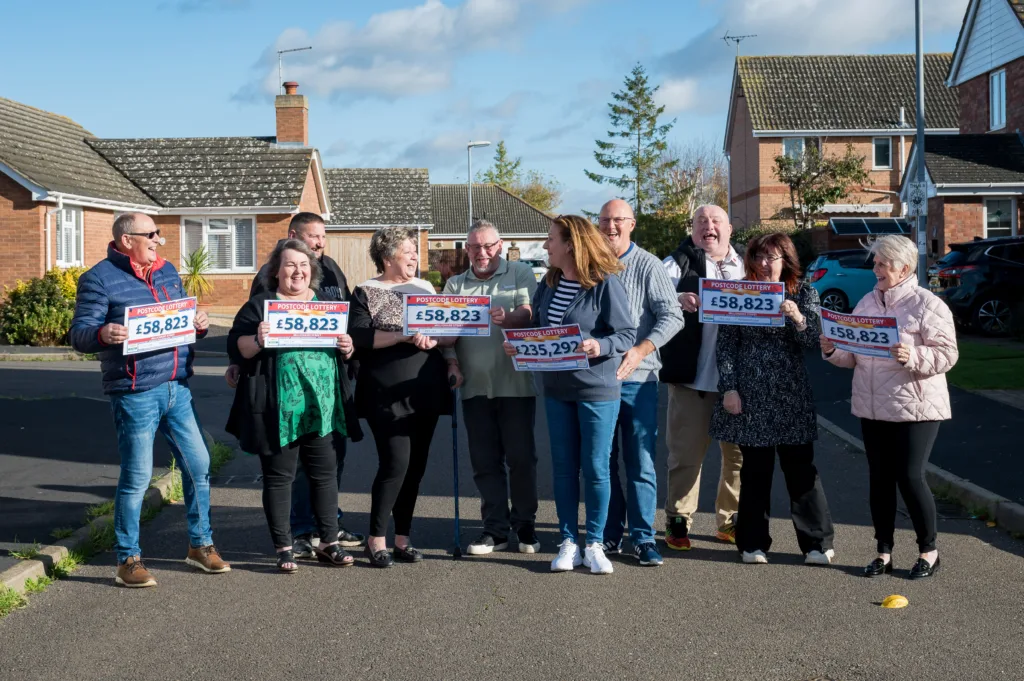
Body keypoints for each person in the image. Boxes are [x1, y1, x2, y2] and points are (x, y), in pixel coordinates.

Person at [69, 212, 230, 588]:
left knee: (199, 464)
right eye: (152, 234)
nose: (159, 240)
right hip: (135, 391)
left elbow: (178, 320)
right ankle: (128, 559)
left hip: (177, 385)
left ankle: (200, 546)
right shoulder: (97, 279)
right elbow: (79, 334)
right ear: (127, 240)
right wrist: (102, 333)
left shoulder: (167, 270)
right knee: (138, 477)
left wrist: (198, 324)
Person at [224, 212, 364, 555]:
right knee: (281, 477)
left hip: (322, 405)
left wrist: (347, 347)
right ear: (277, 271)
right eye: (290, 265)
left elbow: (343, 347)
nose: (298, 271)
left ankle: (329, 539)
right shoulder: (262, 305)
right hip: (279, 408)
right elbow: (238, 346)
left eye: (303, 265)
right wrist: (257, 340)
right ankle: (286, 544)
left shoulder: (327, 305)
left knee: (325, 475)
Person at [504, 215, 636, 575]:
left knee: (595, 468)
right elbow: (539, 328)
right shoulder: (548, 283)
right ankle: (568, 541)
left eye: (550, 240)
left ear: (571, 244)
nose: (546, 246)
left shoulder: (605, 283)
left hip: (597, 388)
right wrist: (520, 346)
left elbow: (626, 333)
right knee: (563, 469)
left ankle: (594, 543)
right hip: (556, 388)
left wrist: (601, 343)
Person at [821, 235, 958, 580]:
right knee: (880, 480)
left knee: (910, 477)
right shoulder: (867, 302)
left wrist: (913, 355)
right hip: (872, 406)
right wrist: (830, 349)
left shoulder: (928, 305)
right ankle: (883, 551)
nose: (876, 269)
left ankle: (929, 551)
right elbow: (851, 356)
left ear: (905, 268)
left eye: (883, 263)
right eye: (876, 262)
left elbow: (948, 354)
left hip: (916, 406)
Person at [709, 232, 835, 565]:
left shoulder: (805, 292)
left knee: (801, 470)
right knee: (754, 471)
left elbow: (814, 343)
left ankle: (816, 544)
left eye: (773, 258)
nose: (765, 265)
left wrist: (796, 317)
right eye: (759, 258)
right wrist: (730, 389)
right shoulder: (739, 293)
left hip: (790, 394)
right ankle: (752, 543)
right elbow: (726, 347)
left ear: (786, 260)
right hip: (749, 395)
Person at [348, 227, 451, 568]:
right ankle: (375, 538)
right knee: (395, 462)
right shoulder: (366, 290)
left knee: (417, 466)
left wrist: (442, 344)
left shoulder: (424, 288)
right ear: (388, 256)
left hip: (425, 386)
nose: (415, 257)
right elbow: (360, 337)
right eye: (409, 251)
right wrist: (403, 336)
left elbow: (442, 330)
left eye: (415, 252)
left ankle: (402, 538)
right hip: (384, 389)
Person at [441, 220, 541, 556]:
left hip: (516, 384)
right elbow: (444, 332)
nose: (481, 253)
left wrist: (509, 318)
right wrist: (452, 362)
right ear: (466, 249)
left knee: (522, 458)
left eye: (487, 246)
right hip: (474, 388)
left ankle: (525, 524)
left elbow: (530, 313)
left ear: (499, 245)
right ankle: (495, 530)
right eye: (474, 247)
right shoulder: (455, 284)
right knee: (485, 462)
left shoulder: (520, 273)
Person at [596, 200, 683, 567]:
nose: (611, 226)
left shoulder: (648, 264)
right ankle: (610, 533)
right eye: (604, 220)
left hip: (638, 378)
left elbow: (672, 316)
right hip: (597, 378)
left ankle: (644, 537)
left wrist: (641, 349)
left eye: (618, 220)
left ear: (632, 224)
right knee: (603, 461)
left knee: (640, 461)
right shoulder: (591, 264)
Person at [659, 205, 745, 550]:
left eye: (715, 221)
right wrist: (676, 297)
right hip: (692, 380)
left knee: (738, 458)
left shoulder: (747, 265)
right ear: (692, 229)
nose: (708, 227)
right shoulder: (675, 264)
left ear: (729, 229)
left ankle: (730, 522)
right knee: (685, 457)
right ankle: (678, 522)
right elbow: (651, 299)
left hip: (738, 384)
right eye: (701, 222)